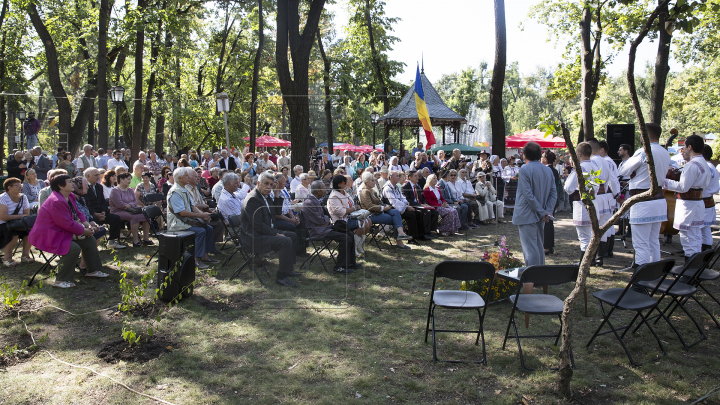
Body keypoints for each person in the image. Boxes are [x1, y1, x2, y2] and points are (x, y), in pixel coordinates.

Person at [28, 174, 107, 287]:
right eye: (69, 182)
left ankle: (93, 271)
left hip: (63, 232)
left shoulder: (70, 196)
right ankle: (60, 280)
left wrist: (87, 224)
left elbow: (78, 212)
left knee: (90, 241)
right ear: (60, 186)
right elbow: (67, 223)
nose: (72, 184)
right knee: (73, 248)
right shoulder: (56, 201)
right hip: (49, 235)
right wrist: (84, 231)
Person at [241, 172, 300, 287]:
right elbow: (258, 226)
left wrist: (276, 192)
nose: (269, 187)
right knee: (285, 241)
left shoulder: (265, 197)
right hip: (253, 237)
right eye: (266, 184)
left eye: (271, 184)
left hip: (264, 232)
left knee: (292, 235)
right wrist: (276, 235)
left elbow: (276, 213)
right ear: (258, 183)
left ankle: (288, 269)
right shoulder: (253, 199)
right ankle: (282, 277)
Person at [664, 134, 711, 260]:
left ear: (690, 147)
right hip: (697, 202)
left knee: (687, 237)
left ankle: (689, 269)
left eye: (684, 146)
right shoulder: (704, 162)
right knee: (695, 236)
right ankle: (695, 267)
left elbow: (683, 187)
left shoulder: (692, 164)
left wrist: (664, 182)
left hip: (688, 203)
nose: (683, 149)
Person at [512, 142, 556, 267]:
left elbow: (528, 195)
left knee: (530, 249)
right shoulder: (547, 170)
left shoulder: (525, 169)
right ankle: (540, 274)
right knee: (538, 246)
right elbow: (554, 194)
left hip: (528, 213)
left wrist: (544, 212)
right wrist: (547, 211)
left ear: (525, 154)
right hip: (541, 213)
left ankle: (532, 278)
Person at [166, 167, 219, 269]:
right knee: (200, 231)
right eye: (186, 175)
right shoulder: (175, 192)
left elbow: (192, 206)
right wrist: (200, 215)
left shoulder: (183, 189)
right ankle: (195, 260)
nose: (188, 177)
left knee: (208, 228)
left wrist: (204, 216)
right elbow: (181, 213)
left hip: (185, 222)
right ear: (180, 178)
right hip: (177, 224)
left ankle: (205, 256)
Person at [304, 180, 360, 274]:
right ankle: (339, 267)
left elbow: (324, 218)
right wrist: (325, 220)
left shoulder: (315, 201)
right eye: (323, 189)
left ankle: (350, 263)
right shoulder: (309, 203)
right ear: (318, 191)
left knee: (349, 233)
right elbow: (320, 220)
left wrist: (325, 220)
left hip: (324, 228)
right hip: (317, 231)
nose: (325, 191)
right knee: (344, 237)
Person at [565, 142, 602, 265]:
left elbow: (569, 187)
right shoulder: (595, 165)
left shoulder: (580, 167)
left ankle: (584, 265)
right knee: (590, 235)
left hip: (582, 204)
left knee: (584, 238)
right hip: (594, 201)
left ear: (579, 154)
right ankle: (587, 263)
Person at [359, 171, 412, 249]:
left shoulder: (373, 191)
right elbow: (369, 206)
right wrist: (383, 208)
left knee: (395, 211)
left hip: (379, 212)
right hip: (371, 214)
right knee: (396, 218)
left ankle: (400, 234)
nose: (375, 182)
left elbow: (379, 202)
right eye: (372, 181)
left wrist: (384, 206)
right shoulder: (365, 192)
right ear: (366, 182)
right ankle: (400, 241)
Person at [327, 175, 373, 257]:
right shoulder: (334, 196)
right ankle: (353, 247)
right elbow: (340, 212)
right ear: (339, 184)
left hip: (351, 217)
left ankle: (359, 244)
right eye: (344, 182)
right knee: (362, 223)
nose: (346, 184)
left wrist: (356, 207)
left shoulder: (345, 192)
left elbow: (351, 205)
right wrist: (354, 208)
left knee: (368, 221)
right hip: (341, 222)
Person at [84, 168, 125, 249]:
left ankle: (112, 241)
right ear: (88, 176)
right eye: (96, 175)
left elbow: (103, 201)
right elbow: (85, 205)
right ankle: (93, 245)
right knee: (93, 221)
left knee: (115, 218)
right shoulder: (84, 188)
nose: (98, 177)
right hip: (90, 215)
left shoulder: (99, 187)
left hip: (101, 213)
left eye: (98, 175)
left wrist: (103, 212)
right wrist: (95, 214)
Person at [109, 172, 152, 247]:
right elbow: (120, 205)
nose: (129, 181)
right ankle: (135, 240)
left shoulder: (130, 190)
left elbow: (135, 202)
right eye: (128, 179)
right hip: (118, 212)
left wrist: (129, 205)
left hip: (131, 210)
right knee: (134, 217)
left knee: (146, 215)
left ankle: (146, 238)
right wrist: (129, 205)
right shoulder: (115, 191)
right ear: (121, 179)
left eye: (130, 179)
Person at [383, 170, 427, 241]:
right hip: (391, 210)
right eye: (397, 176)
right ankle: (412, 238)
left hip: (400, 208)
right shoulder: (387, 188)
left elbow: (402, 197)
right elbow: (394, 201)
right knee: (411, 215)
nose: (398, 178)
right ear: (391, 177)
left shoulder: (396, 187)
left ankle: (420, 235)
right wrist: (406, 206)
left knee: (418, 213)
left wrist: (406, 202)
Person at [0, 178, 33, 266]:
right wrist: (20, 216)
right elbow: (3, 217)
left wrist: (16, 217)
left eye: (20, 185)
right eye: (17, 185)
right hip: (3, 223)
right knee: (12, 232)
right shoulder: (3, 198)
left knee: (30, 230)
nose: (20, 187)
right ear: (9, 188)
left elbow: (27, 214)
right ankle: (7, 258)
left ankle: (25, 256)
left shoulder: (23, 197)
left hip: (19, 223)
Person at [402, 170, 438, 238]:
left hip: (420, 205)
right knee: (427, 212)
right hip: (412, 206)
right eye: (415, 176)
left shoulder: (417, 186)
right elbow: (407, 200)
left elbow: (422, 198)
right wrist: (420, 205)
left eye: (417, 176)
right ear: (410, 178)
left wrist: (425, 204)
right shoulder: (405, 187)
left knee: (435, 212)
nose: (417, 177)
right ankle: (424, 233)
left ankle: (430, 231)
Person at [543, 151, 562, 255]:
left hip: (548, 199)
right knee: (550, 223)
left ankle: (546, 246)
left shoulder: (547, 170)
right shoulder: (554, 170)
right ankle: (549, 246)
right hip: (554, 199)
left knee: (547, 223)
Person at [701, 145, 719, 252]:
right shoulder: (712, 167)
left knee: (699, 231)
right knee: (705, 230)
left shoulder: (705, 167)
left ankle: (701, 258)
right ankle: (705, 257)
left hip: (704, 202)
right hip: (708, 201)